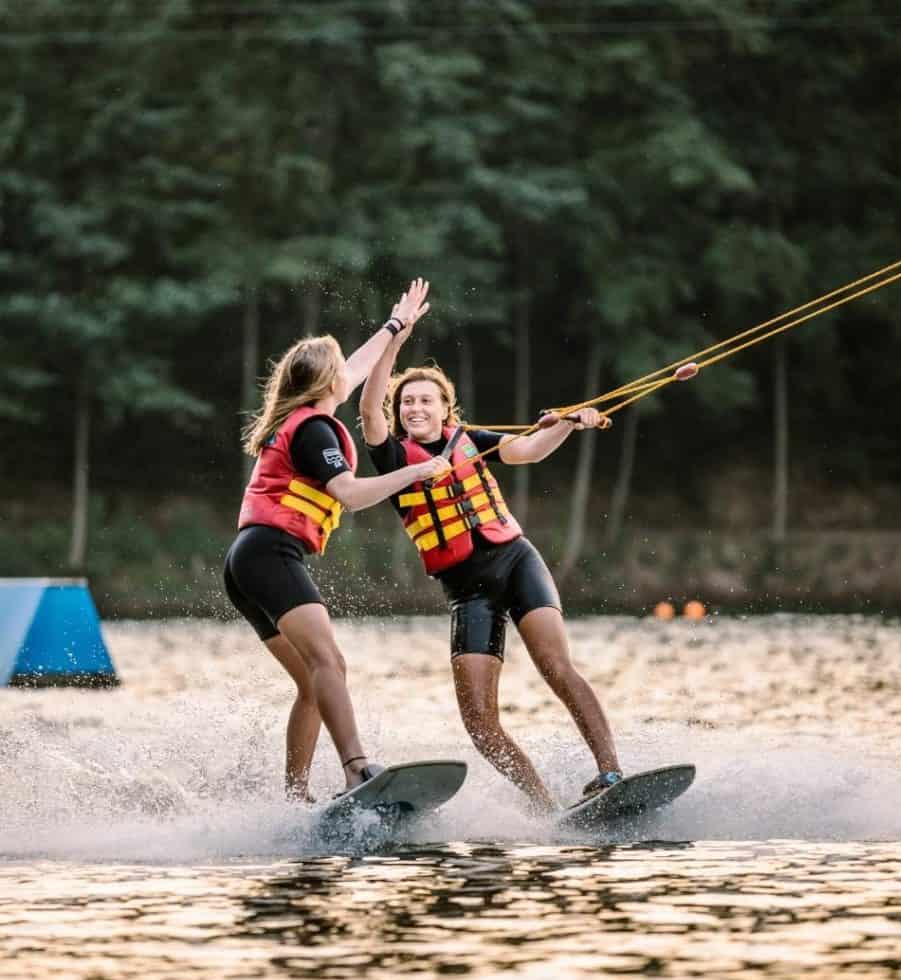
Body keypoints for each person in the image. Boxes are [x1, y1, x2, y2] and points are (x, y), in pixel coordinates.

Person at [358, 332, 628, 813]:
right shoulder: (393, 456)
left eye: (425, 400)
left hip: (516, 563)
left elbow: (530, 450)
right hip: (467, 591)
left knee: (556, 667)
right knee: (480, 721)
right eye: (406, 402)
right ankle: (545, 807)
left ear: (446, 408)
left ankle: (609, 773)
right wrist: (394, 340)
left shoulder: (473, 440)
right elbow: (368, 413)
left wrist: (569, 422)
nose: (414, 408)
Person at [225, 279, 451, 802]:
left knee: (311, 682)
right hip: (271, 554)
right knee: (331, 664)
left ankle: (295, 797)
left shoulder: (303, 414)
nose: (347, 373)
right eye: (339, 370)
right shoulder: (314, 431)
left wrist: (397, 327)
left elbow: (360, 365)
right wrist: (415, 474)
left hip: (247, 561)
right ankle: (355, 769)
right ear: (327, 384)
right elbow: (349, 493)